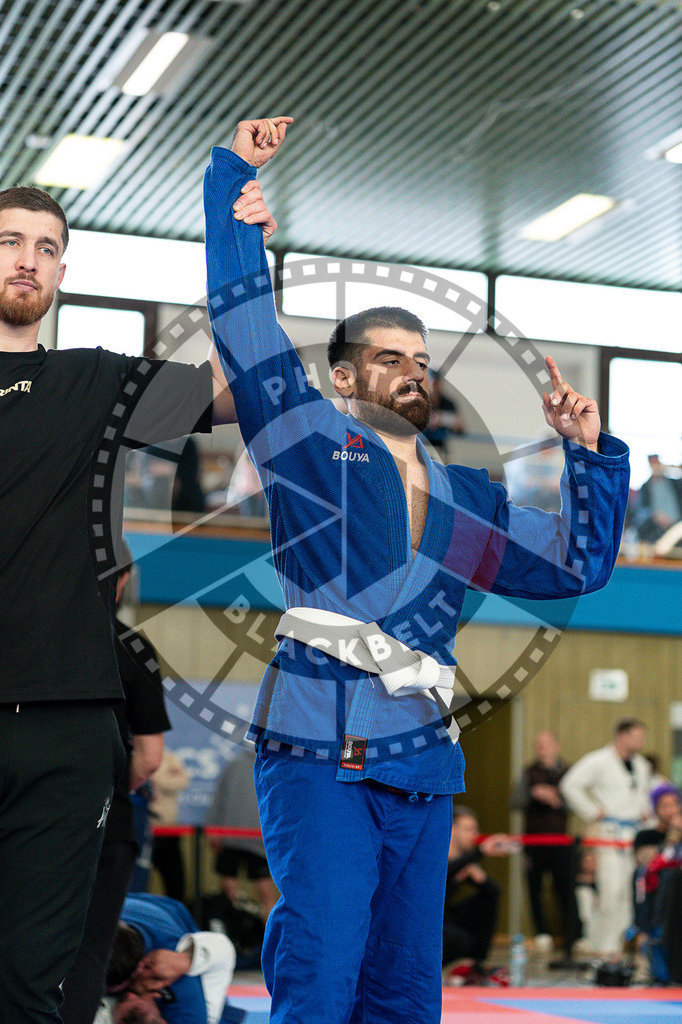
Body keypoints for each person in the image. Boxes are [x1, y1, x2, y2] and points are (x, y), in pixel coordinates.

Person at [203, 116, 630, 1024]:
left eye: (421, 363)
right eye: (386, 360)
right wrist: (228, 192)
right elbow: (245, 330)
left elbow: (578, 567)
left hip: (421, 754)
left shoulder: (469, 501)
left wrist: (589, 458)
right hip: (319, 735)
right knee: (321, 962)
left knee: (404, 983)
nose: (410, 374)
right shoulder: (309, 447)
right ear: (345, 380)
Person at [0, 184, 235, 1023]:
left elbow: (232, 392)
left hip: (66, 723)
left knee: (39, 979)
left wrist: (236, 241)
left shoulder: (91, 380)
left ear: (62, 269)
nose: (28, 258)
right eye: (10, 240)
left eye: (47, 247)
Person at [60, 540, 171, 1024]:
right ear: (123, 581)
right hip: (106, 816)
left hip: (35, 808)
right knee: (90, 950)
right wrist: (111, 788)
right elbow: (148, 756)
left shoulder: (35, 638)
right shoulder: (134, 648)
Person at [560, 718, 652, 953]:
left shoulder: (641, 765)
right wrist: (592, 811)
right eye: (636, 736)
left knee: (628, 892)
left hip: (633, 835)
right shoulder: (599, 760)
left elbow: (642, 795)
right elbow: (569, 785)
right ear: (622, 736)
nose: (640, 742)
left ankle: (619, 946)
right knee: (610, 891)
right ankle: (603, 946)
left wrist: (644, 813)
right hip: (609, 834)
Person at [106, 894, 242, 1024]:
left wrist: (186, 960)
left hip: (167, 915)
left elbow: (224, 949)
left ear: (139, 969)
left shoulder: (178, 986)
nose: (130, 995)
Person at [511, 731, 578, 956]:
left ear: (556, 746)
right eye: (539, 745)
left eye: (547, 745)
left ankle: (573, 935)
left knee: (565, 888)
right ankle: (542, 933)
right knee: (534, 889)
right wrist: (533, 794)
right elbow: (515, 802)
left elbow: (577, 806)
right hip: (534, 841)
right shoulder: (529, 772)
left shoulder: (569, 772)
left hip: (560, 841)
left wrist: (556, 798)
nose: (543, 749)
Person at [206, 746, 277, 923]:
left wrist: (214, 830)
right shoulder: (274, 766)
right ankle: (269, 940)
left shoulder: (233, 764)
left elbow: (218, 800)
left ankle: (234, 932)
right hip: (258, 839)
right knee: (265, 892)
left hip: (231, 836)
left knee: (231, 891)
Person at [442, 806, 514, 979]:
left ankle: (475, 964)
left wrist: (480, 877)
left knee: (489, 898)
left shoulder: (463, 861)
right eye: (468, 829)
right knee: (460, 939)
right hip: (423, 922)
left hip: (446, 918)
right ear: (452, 829)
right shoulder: (436, 854)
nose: (474, 834)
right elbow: (445, 872)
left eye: (475, 829)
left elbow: (494, 891)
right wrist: (479, 853)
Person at [149, 750, 190, 904]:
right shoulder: (134, 755)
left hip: (169, 830)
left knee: (176, 884)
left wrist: (153, 776)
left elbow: (183, 782)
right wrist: (165, 775)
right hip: (145, 830)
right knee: (137, 882)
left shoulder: (169, 758)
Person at [635, 454, 682, 542]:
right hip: (656, 529)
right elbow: (640, 511)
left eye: (657, 462)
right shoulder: (645, 487)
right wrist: (655, 516)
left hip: (677, 526)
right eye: (653, 463)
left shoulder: (673, 483)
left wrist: (672, 467)